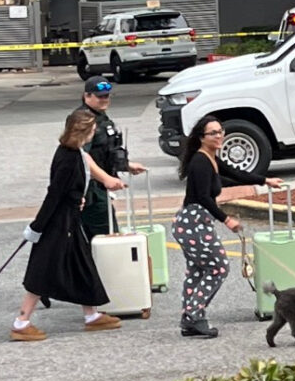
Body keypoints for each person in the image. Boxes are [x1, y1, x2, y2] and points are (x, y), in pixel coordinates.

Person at [11, 109, 123, 342]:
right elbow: (54, 195)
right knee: (43, 270)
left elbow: (68, 190)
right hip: (60, 223)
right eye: (92, 129)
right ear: (85, 131)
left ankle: (91, 314)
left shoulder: (72, 153)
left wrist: (76, 200)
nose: (95, 133)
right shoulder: (69, 158)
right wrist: (37, 227)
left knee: (82, 263)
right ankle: (21, 322)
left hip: (70, 218)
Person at [173, 115, 283, 339]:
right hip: (194, 221)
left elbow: (234, 174)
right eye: (213, 133)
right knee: (218, 267)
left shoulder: (210, 158)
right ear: (201, 138)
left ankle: (190, 319)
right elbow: (204, 197)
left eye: (220, 131)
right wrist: (227, 219)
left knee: (197, 270)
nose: (219, 136)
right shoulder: (200, 161)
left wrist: (264, 180)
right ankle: (194, 315)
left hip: (193, 222)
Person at [79, 76, 147, 237]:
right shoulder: (84, 119)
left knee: (103, 235)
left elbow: (105, 151)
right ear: (86, 96)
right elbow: (81, 155)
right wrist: (105, 179)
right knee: (107, 236)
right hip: (90, 190)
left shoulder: (101, 117)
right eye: (99, 96)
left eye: (107, 95)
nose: (104, 99)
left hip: (100, 187)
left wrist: (126, 165)